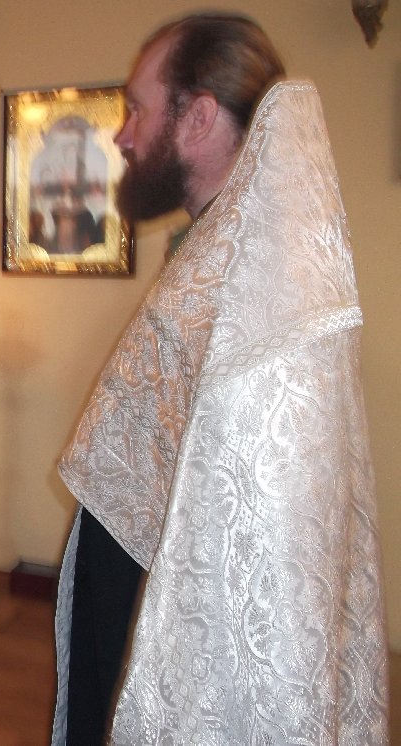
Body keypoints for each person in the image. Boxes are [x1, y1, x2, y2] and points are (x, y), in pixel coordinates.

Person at [52, 12, 388, 744]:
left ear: (198, 117)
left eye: (137, 108)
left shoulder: (271, 283)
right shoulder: (222, 249)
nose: (122, 135)